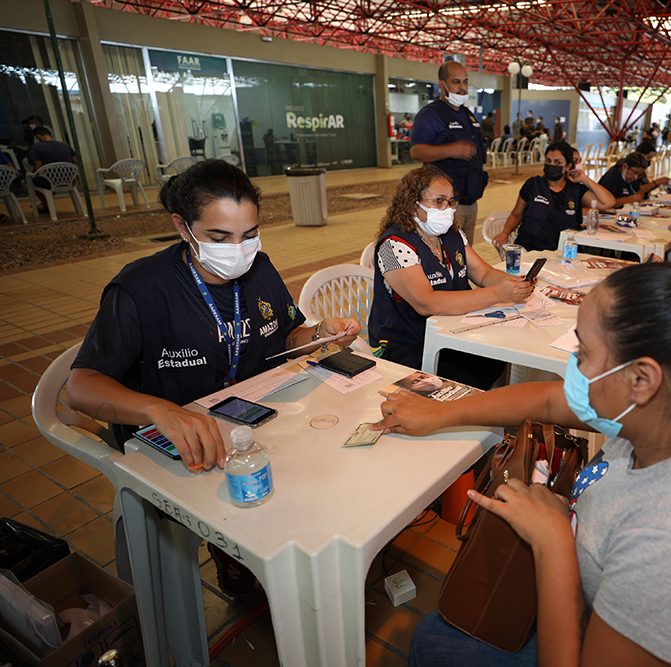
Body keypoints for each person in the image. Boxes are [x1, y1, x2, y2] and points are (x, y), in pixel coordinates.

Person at [377, 239, 671, 667]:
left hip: (590, 622)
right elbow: (549, 401)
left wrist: (553, 541)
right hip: (599, 598)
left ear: (642, 379)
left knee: (433, 642)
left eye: (585, 352)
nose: (573, 362)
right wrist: (443, 412)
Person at [66, 159, 361, 596]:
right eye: (220, 238)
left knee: (321, 479)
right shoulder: (142, 290)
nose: (238, 250)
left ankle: (259, 564)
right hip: (178, 439)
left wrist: (320, 334)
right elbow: (80, 386)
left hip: (253, 419)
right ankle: (240, 563)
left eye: (250, 234)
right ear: (182, 227)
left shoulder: (259, 269)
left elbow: (285, 337)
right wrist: (160, 410)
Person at [369, 165, 535, 388]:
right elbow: (426, 303)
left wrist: (514, 283)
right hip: (410, 347)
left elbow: (484, 273)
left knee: (496, 361)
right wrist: (497, 294)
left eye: (450, 202)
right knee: (465, 378)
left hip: (454, 334)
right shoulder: (394, 245)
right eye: (439, 201)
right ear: (412, 204)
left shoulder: (452, 235)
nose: (447, 209)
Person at [409, 61, 488, 243]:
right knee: (445, 251)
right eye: (456, 82)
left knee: (464, 252)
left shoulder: (468, 114)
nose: (462, 87)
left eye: (465, 82)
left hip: (470, 200)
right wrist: (451, 150)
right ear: (442, 85)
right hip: (445, 204)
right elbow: (416, 151)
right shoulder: (431, 114)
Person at [492, 141, 614, 251]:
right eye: (548, 161)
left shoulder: (575, 190)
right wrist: (505, 232)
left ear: (568, 166)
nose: (551, 165)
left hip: (563, 253)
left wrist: (584, 179)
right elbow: (516, 214)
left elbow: (608, 203)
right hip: (529, 250)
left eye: (558, 162)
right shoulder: (533, 184)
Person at [29, 126, 78, 215]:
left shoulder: (37, 148)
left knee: (33, 183)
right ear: (51, 135)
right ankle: (44, 206)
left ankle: (46, 207)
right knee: (50, 183)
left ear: (38, 136)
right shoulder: (66, 145)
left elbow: (38, 169)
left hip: (50, 180)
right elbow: (76, 162)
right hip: (69, 179)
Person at [598, 152, 667, 208]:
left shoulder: (630, 177)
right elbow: (604, 203)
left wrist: (638, 197)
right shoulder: (611, 178)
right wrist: (627, 200)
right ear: (625, 166)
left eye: (638, 175)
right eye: (635, 172)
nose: (636, 177)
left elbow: (640, 191)